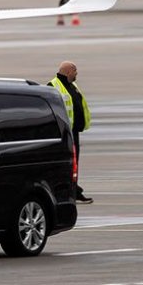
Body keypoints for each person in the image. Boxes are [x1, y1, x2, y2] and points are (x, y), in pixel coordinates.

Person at [48, 61, 93, 204]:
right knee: (68, 164)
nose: (76, 74)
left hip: (74, 132)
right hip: (63, 134)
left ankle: (74, 190)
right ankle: (68, 192)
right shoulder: (53, 87)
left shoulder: (72, 85)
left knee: (74, 163)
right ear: (68, 72)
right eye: (75, 71)